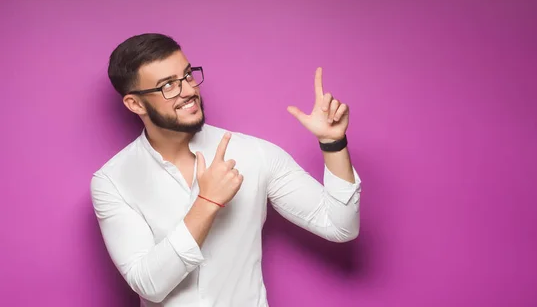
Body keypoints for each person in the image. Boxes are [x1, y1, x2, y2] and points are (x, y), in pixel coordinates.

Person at [90, 33, 362, 307]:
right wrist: (207, 203)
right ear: (135, 104)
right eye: (168, 86)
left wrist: (333, 143)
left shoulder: (254, 154)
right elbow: (149, 285)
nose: (188, 91)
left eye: (186, 75)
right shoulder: (112, 181)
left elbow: (340, 226)